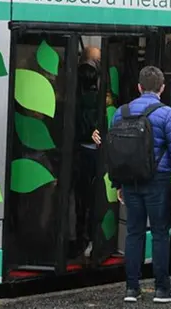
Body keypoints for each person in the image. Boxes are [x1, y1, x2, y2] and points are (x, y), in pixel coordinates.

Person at [92, 66, 171, 304]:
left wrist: (118, 183)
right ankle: (162, 289)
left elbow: (115, 153)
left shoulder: (120, 113)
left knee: (134, 233)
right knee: (159, 233)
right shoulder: (166, 114)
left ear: (138, 87)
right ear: (162, 88)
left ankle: (131, 289)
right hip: (157, 181)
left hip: (129, 181)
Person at [71, 46, 101, 259]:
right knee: (93, 200)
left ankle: (79, 237)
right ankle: (90, 240)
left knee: (80, 200)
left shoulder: (74, 101)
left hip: (79, 153)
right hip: (94, 155)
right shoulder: (99, 100)